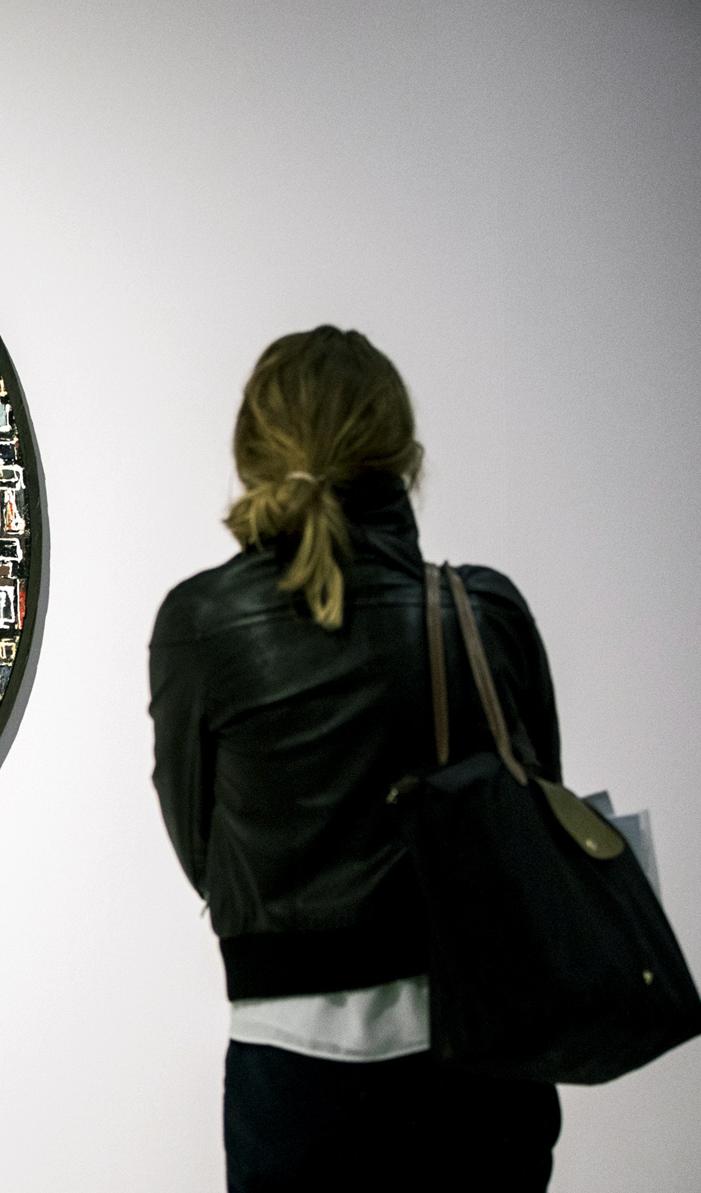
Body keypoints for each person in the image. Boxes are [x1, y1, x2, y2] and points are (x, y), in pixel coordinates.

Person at [148, 326, 564, 1191]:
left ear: (251, 450)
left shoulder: (202, 624)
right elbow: (536, 822)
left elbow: (202, 849)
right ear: (403, 455)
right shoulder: (481, 612)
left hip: (293, 1067)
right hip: (481, 1051)